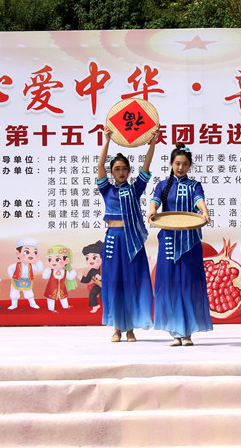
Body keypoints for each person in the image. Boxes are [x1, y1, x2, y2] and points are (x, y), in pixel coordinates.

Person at [148, 142, 213, 346]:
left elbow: (199, 200)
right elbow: (155, 201)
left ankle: (187, 333)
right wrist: (152, 210)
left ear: (189, 165)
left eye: (184, 164)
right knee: (170, 284)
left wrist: (205, 211)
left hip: (189, 242)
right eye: (177, 163)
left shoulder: (194, 185)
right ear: (171, 164)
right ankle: (175, 332)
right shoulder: (162, 185)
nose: (180, 167)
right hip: (169, 240)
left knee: (188, 284)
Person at [96, 127, 157, 342]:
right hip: (113, 240)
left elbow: (147, 165)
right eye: (117, 169)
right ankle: (116, 328)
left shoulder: (135, 189)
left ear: (129, 171)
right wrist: (107, 140)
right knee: (114, 283)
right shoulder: (107, 190)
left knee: (132, 283)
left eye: (124, 169)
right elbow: (100, 166)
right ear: (112, 172)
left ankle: (130, 328)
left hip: (132, 241)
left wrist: (153, 142)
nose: (121, 172)